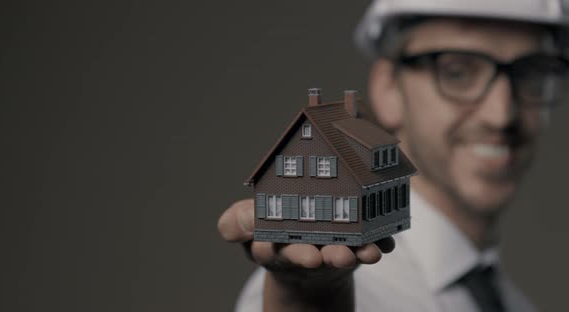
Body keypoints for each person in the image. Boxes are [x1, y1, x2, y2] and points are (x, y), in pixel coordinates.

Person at [218, 1, 569, 311]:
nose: (501, 114)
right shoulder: (332, 288)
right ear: (389, 88)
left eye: (532, 74)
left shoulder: (518, 305)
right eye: (458, 71)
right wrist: (303, 298)